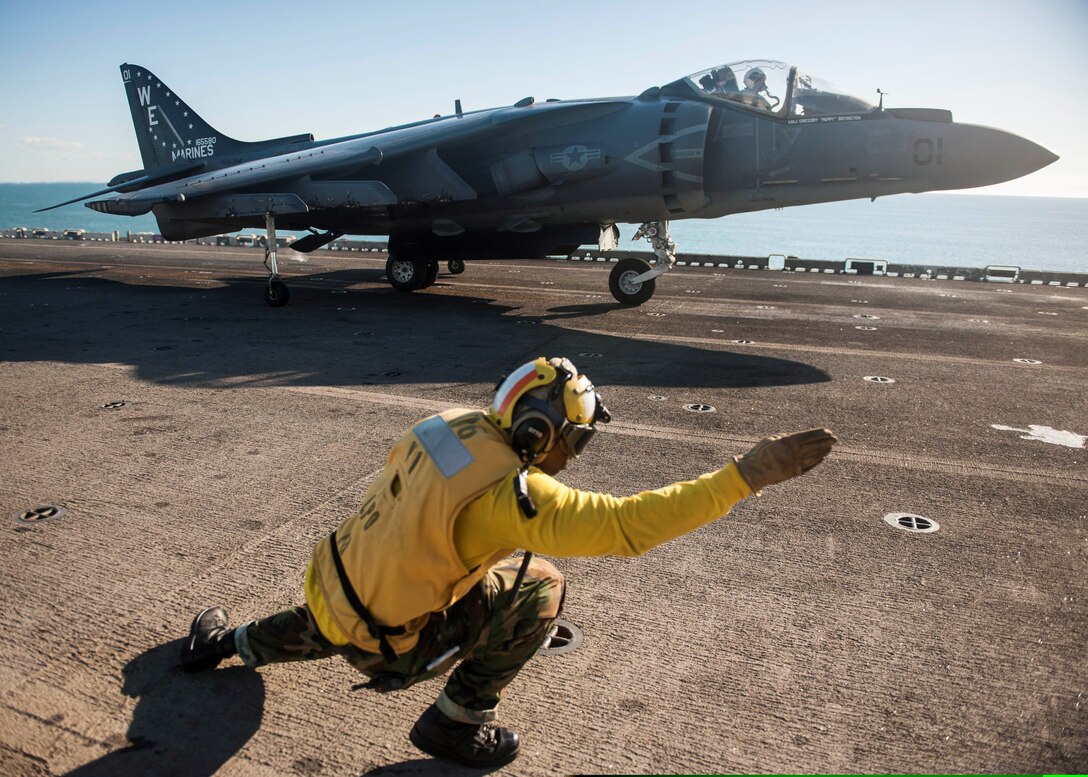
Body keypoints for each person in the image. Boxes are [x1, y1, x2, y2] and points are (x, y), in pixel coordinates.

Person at [180, 356, 836, 768]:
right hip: (390, 642)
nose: (574, 456)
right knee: (541, 586)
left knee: (348, 601)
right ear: (538, 432)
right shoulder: (509, 496)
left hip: (332, 585)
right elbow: (627, 527)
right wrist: (744, 475)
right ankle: (456, 722)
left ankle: (222, 641)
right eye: (573, 440)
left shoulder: (445, 422)